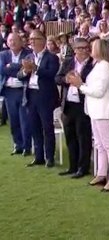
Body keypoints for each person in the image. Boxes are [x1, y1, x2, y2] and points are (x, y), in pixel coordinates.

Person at [67, 39, 109, 192]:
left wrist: (80, 85)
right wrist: (81, 83)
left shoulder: (105, 66)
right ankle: (102, 173)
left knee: (108, 145)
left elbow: (98, 91)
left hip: (102, 110)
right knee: (99, 144)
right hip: (94, 110)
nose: (90, 48)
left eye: (93, 46)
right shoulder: (97, 65)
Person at [17, 29, 60, 168]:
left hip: (45, 97)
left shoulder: (51, 57)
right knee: (34, 127)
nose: (32, 42)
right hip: (31, 95)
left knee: (47, 127)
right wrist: (25, 71)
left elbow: (52, 74)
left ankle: (50, 157)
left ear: (43, 40)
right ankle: (39, 156)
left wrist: (36, 68)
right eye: (30, 39)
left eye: (35, 39)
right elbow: (19, 75)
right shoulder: (29, 56)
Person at [55, 37, 94, 178]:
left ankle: (83, 168)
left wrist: (80, 82)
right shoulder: (68, 62)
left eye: (85, 48)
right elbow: (57, 78)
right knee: (70, 136)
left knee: (83, 137)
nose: (83, 51)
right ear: (75, 49)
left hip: (83, 104)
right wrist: (66, 79)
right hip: (68, 104)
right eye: (80, 48)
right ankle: (72, 166)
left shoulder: (92, 64)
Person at [0, 33, 32, 156]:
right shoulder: (3, 54)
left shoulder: (27, 54)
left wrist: (11, 67)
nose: (12, 42)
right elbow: (2, 69)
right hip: (9, 91)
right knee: (13, 121)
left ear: (21, 41)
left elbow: (27, 70)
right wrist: (18, 70)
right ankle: (17, 145)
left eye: (14, 40)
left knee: (24, 120)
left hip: (23, 90)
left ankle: (27, 146)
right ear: (7, 42)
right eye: (10, 40)